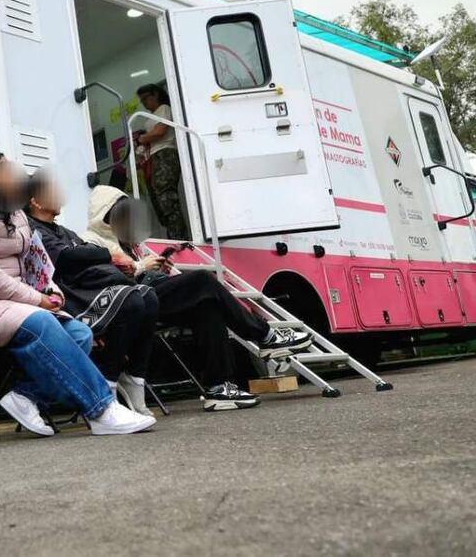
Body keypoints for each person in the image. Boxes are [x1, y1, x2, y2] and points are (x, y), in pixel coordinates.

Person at [0, 152, 155, 436]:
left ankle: (26, 395)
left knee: (80, 333)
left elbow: (36, 261)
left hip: (11, 300)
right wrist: (36, 299)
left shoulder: (15, 213)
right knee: (42, 323)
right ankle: (102, 408)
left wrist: (49, 289)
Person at [81, 185, 314, 411]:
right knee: (202, 280)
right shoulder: (91, 240)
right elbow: (105, 278)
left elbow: (138, 273)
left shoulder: (128, 243)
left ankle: (219, 388)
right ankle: (265, 335)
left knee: (207, 305)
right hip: (126, 303)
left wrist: (154, 271)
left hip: (148, 296)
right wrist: (142, 267)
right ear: (105, 214)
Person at [25, 170, 158, 416]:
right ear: (35, 200)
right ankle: (108, 379)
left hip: (92, 288)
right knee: (131, 301)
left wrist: (120, 262)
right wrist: (111, 256)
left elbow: (85, 251)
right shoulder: (32, 229)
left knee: (148, 297)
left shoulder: (62, 230)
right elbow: (64, 258)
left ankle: (134, 377)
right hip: (71, 296)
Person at [135, 83, 187, 239]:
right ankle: (173, 235)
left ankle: (179, 238)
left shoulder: (164, 109)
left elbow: (160, 132)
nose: (144, 102)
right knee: (158, 200)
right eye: (141, 100)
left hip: (165, 155)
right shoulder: (151, 116)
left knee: (167, 198)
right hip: (153, 158)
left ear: (155, 95)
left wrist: (142, 138)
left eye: (146, 98)